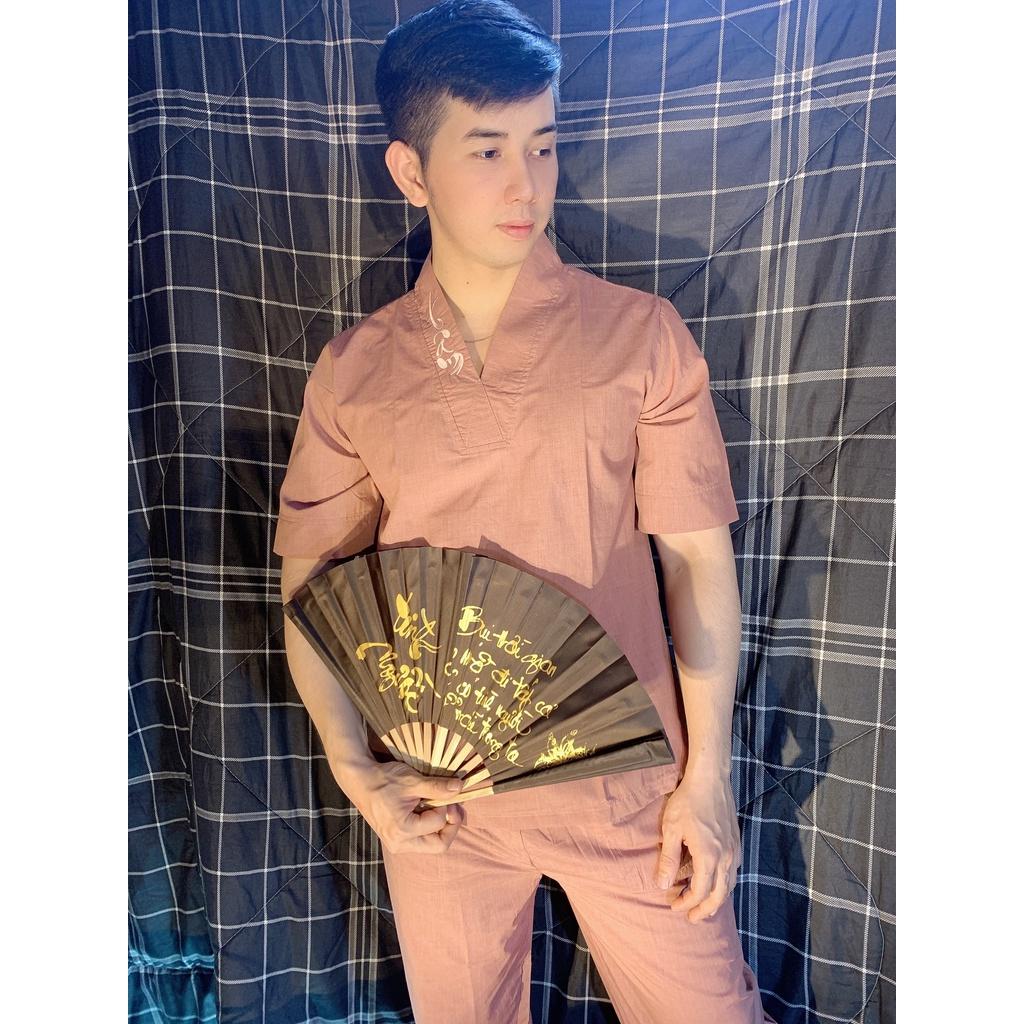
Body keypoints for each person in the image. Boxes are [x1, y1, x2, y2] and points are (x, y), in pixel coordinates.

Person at [274, 2, 777, 1022]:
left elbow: (694, 562)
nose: (526, 184)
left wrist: (708, 779)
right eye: (487, 149)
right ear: (410, 171)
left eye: (542, 145)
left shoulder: (641, 335)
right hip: (442, 794)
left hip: (631, 782)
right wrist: (357, 771)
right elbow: (311, 590)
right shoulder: (353, 371)